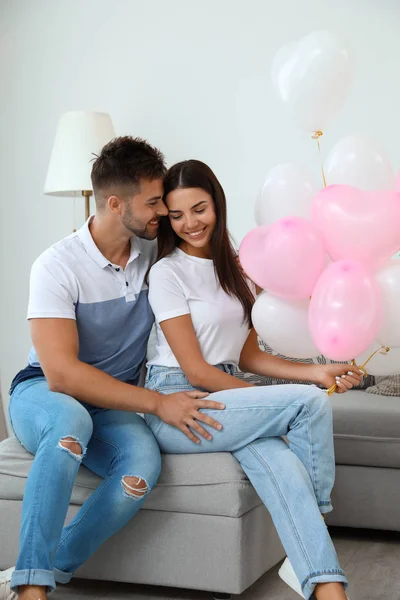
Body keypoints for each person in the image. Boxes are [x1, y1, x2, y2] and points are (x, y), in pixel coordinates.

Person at [0, 139, 226, 600]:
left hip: (112, 401)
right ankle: (30, 591)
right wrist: (159, 403)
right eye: (153, 202)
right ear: (115, 203)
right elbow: (61, 374)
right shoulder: (57, 266)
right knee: (69, 420)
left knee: (141, 464)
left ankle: (44, 566)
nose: (163, 211)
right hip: (43, 393)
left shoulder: (153, 255)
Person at [144, 159, 361, 600]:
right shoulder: (167, 273)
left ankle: (326, 587)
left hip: (223, 395)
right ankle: (317, 520)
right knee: (308, 403)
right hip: (178, 401)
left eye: (199, 208)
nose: (189, 223)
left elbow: (246, 355)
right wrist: (279, 402)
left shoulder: (239, 267)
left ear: (217, 205)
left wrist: (315, 371)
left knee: (281, 463)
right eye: (177, 214)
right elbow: (196, 371)